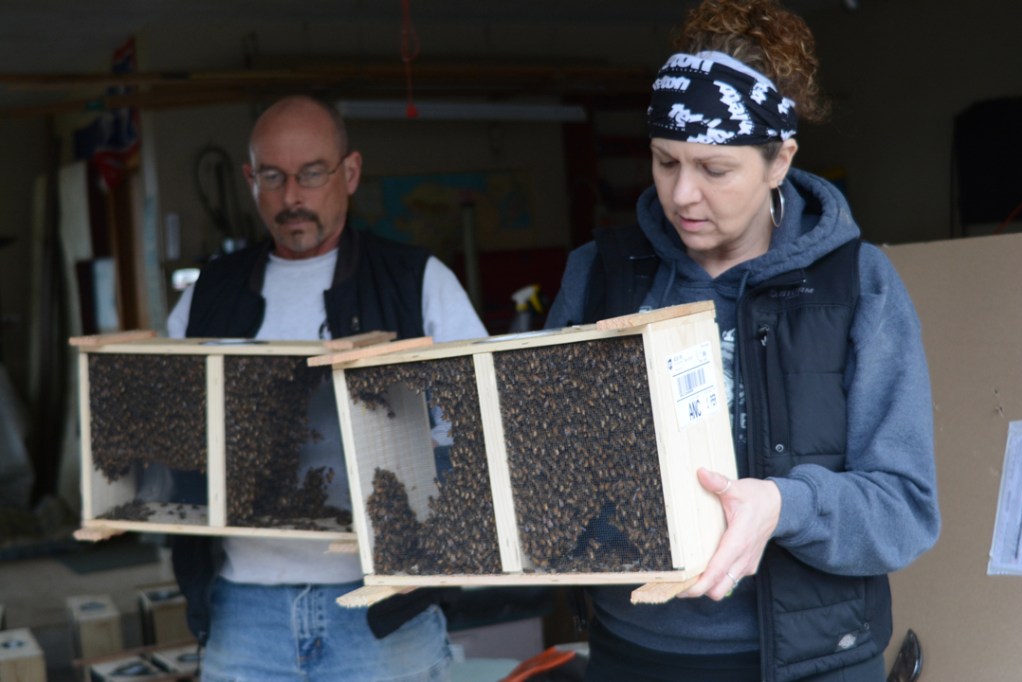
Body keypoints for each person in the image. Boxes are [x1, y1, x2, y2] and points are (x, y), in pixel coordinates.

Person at [544, 1, 940, 680]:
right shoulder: (600, 274)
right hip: (633, 653)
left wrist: (785, 505)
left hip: (813, 663)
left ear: (779, 160)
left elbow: (904, 509)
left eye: (714, 169)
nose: (682, 194)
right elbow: (543, 465)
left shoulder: (859, 285)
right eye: (665, 161)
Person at [166, 94, 486, 681]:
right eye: (273, 177)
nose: (292, 196)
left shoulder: (416, 280)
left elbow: (482, 427)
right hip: (243, 611)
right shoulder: (208, 294)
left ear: (351, 172)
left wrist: (433, 536)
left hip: (383, 612)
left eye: (312, 174)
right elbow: (171, 434)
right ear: (250, 179)